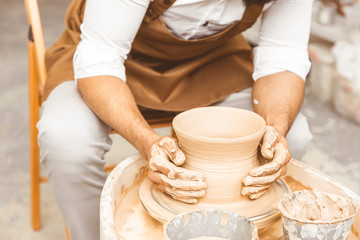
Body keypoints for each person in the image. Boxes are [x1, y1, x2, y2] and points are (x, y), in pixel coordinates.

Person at [37, 0, 314, 238]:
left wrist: (276, 129)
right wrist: (148, 143)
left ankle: (225, 227)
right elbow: (100, 58)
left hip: (209, 62)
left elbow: (283, 57)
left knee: (293, 134)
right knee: (66, 139)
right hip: (111, 62)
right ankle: (99, 235)